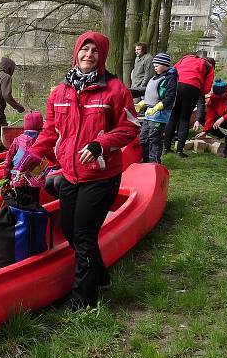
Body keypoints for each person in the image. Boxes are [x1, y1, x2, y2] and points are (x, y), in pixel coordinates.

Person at [16, 31, 140, 308]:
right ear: (76, 53)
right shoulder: (60, 91)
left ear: (102, 56)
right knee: (71, 231)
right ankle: (100, 276)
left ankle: (83, 302)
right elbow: (50, 131)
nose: (88, 55)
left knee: (84, 234)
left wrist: (101, 144)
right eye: (84, 50)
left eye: (95, 51)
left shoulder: (115, 90)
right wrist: (30, 156)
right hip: (69, 173)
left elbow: (130, 127)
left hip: (101, 174)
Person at [162, 53, 214, 158]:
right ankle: (179, 151)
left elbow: (173, 70)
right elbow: (207, 88)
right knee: (184, 119)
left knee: (173, 116)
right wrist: (198, 91)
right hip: (192, 88)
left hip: (177, 84)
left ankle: (166, 148)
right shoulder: (208, 66)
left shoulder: (185, 58)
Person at [136, 53, 177, 163]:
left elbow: (170, 97)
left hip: (159, 115)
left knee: (155, 140)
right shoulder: (156, 78)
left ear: (165, 65)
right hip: (149, 114)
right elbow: (151, 94)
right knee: (143, 139)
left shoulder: (170, 78)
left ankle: (154, 162)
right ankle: (145, 160)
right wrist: (141, 103)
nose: (154, 68)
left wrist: (158, 107)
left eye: (156, 66)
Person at [3, 111, 45, 204]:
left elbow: (8, 162)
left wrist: (6, 178)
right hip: (35, 181)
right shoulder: (43, 141)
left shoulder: (17, 141)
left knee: (20, 203)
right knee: (34, 203)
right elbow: (48, 161)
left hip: (17, 179)